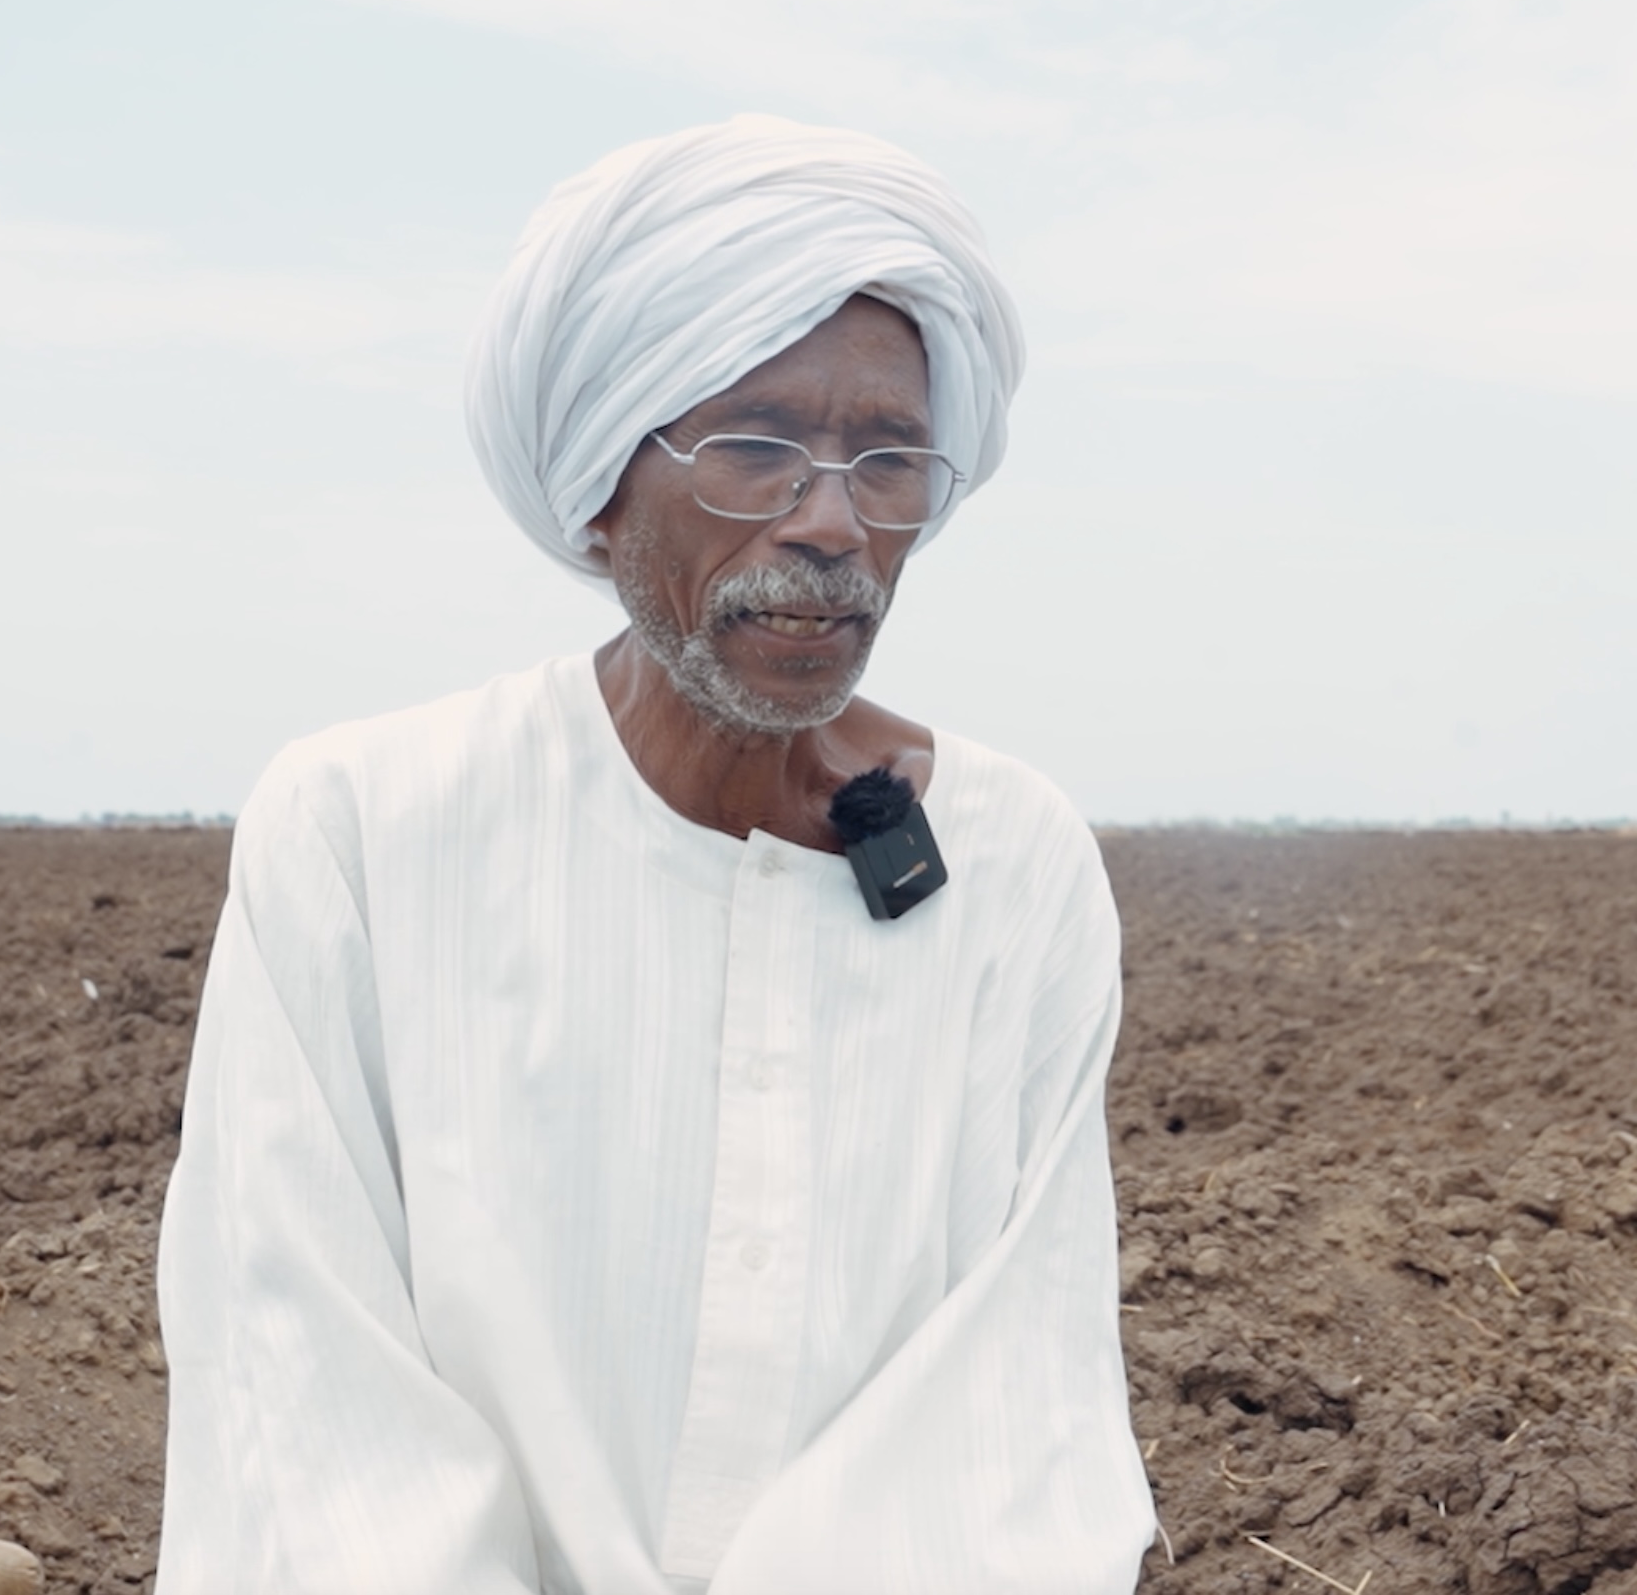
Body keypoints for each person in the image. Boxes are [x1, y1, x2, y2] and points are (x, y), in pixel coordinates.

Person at [155, 114, 1155, 1594]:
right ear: (601, 485)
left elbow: (1010, 1419)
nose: (833, 522)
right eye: (755, 448)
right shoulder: (363, 829)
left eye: (889, 460)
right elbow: (309, 1409)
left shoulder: (1019, 867)